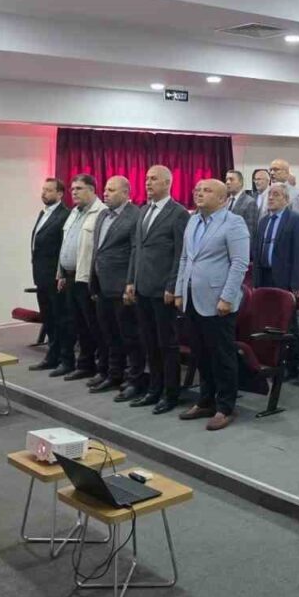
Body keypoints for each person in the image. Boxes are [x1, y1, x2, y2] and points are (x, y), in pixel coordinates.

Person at [174, 179, 251, 431]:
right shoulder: (193, 220)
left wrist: (227, 297)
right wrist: (179, 291)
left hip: (218, 300)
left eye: (207, 191)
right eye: (198, 190)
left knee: (221, 356)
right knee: (200, 353)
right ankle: (205, 400)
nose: (199, 193)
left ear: (222, 199)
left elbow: (239, 263)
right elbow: (185, 258)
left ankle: (225, 406)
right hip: (192, 298)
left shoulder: (233, 223)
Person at [123, 166, 189, 414]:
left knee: (167, 345)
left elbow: (180, 253)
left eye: (153, 179)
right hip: (142, 287)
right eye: (146, 179)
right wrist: (131, 281)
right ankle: (153, 389)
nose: (148, 183)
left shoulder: (178, 213)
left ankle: (170, 393)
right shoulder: (143, 210)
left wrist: (173, 285)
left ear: (167, 183)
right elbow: (136, 249)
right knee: (149, 342)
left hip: (163, 290)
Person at [87, 176, 144, 398]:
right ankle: (113, 374)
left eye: (111, 190)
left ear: (125, 193)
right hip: (102, 285)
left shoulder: (135, 215)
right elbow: (98, 250)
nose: (105, 193)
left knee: (129, 337)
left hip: (122, 286)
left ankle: (134, 379)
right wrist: (93, 281)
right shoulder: (103, 215)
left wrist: (131, 282)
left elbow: (135, 252)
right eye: (105, 189)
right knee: (109, 334)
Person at [53, 174, 106, 379]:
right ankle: (84, 365)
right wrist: (61, 273)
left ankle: (101, 368)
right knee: (78, 324)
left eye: (79, 188)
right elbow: (66, 244)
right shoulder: (74, 212)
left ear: (92, 190)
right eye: (72, 188)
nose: (74, 192)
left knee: (94, 325)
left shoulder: (101, 212)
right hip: (70, 276)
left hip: (87, 278)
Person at [28, 177, 70, 372]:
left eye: (49, 190)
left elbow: (64, 247)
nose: (44, 193)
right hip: (41, 275)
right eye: (43, 189)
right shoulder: (43, 213)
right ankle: (52, 355)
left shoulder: (65, 215)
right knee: (48, 318)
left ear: (60, 194)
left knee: (60, 318)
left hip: (55, 276)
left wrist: (62, 274)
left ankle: (62, 357)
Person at [254, 184, 299, 295]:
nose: (270, 198)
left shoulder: (296, 220)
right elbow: (257, 251)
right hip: (263, 277)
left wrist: (296, 284)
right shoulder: (263, 221)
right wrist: (255, 281)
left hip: (284, 279)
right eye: (269, 194)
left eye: (276, 194)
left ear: (286, 200)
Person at [224, 170, 259, 243]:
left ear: (240, 182)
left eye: (231, 179)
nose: (227, 182)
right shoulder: (226, 202)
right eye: (226, 179)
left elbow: (251, 232)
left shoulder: (249, 202)